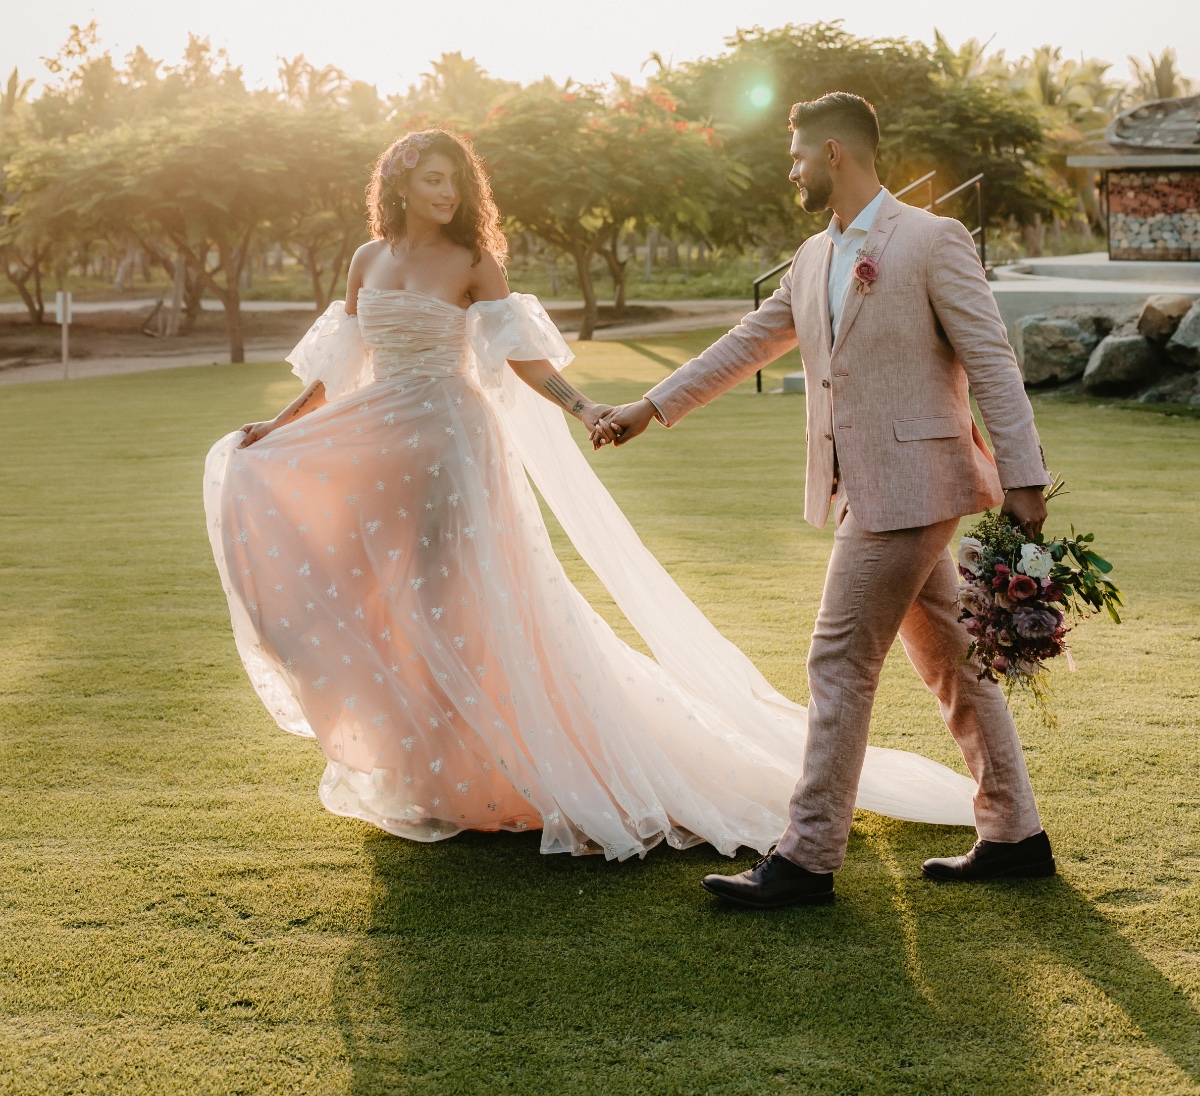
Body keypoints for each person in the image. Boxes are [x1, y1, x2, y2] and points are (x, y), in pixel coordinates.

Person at [204, 126, 977, 862]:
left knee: (452, 603)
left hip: (448, 451)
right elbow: (337, 363)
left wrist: (584, 409)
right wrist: (276, 428)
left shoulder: (474, 261)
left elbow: (520, 356)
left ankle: (488, 773)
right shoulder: (366, 260)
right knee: (389, 606)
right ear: (400, 183)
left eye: (455, 181)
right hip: (379, 451)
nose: (447, 192)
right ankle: (427, 772)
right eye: (433, 180)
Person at [595, 91, 1055, 907]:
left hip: (915, 487)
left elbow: (991, 362)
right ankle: (1015, 834)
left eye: (799, 155)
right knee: (953, 660)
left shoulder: (930, 239)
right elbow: (748, 342)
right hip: (865, 488)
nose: (792, 169)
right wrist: (650, 407)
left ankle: (806, 859)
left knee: (838, 660)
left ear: (835, 153)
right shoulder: (814, 256)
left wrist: (1024, 480)